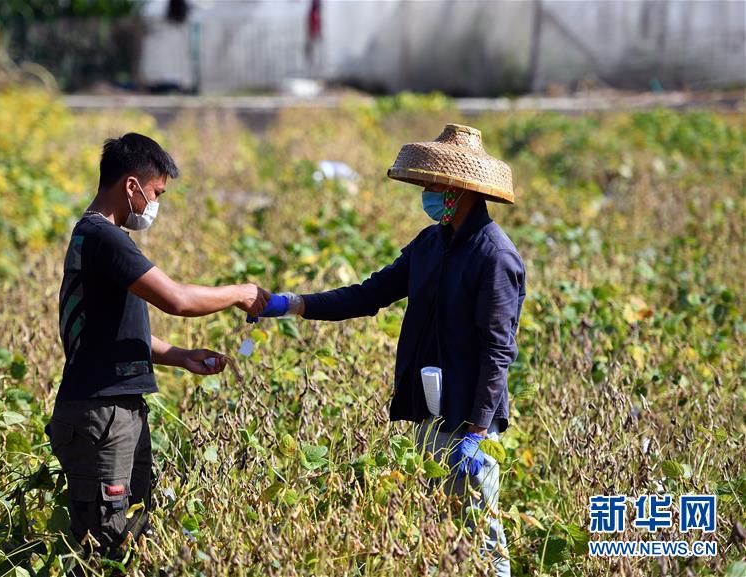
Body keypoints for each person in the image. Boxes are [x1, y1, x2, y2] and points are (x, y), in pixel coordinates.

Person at [254, 124, 525, 576]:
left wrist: (477, 433)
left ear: (458, 189)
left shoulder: (495, 256)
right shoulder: (429, 244)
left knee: (482, 540)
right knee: (443, 536)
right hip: (428, 411)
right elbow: (368, 294)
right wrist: (291, 305)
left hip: (466, 425)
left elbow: (498, 352)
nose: (425, 194)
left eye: (431, 186)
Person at [47, 133, 270, 561]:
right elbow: (178, 300)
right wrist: (239, 292)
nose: (155, 204)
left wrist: (179, 357)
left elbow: (109, 331)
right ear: (131, 186)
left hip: (115, 409)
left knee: (134, 528)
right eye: (155, 193)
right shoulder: (104, 238)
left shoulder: (95, 236)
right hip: (100, 413)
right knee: (106, 540)